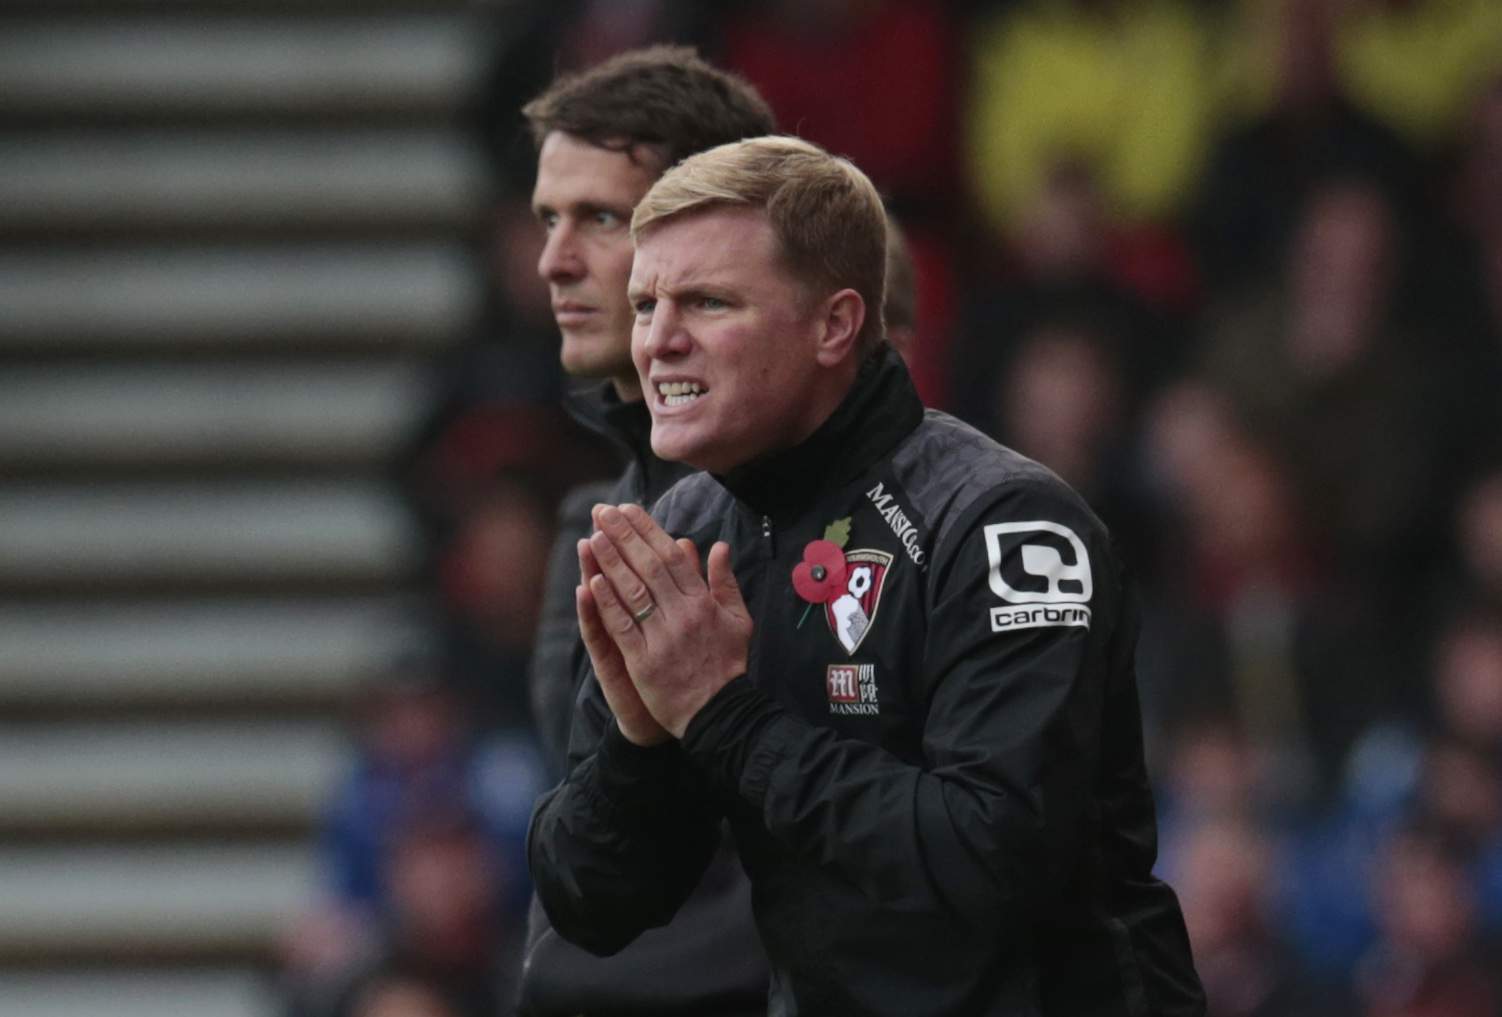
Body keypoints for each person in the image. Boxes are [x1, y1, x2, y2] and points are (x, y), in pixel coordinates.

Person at [529, 136, 1206, 1015]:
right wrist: (637, 744)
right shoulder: (680, 539)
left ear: (836, 325)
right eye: (646, 303)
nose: (658, 342)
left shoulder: (1004, 526)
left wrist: (723, 717)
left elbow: (988, 861)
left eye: (706, 301)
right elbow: (593, 902)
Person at [516, 44, 777, 1016]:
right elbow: (590, 828)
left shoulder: (843, 513)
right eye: (548, 218)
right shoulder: (587, 525)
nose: (553, 260)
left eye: (598, 219)